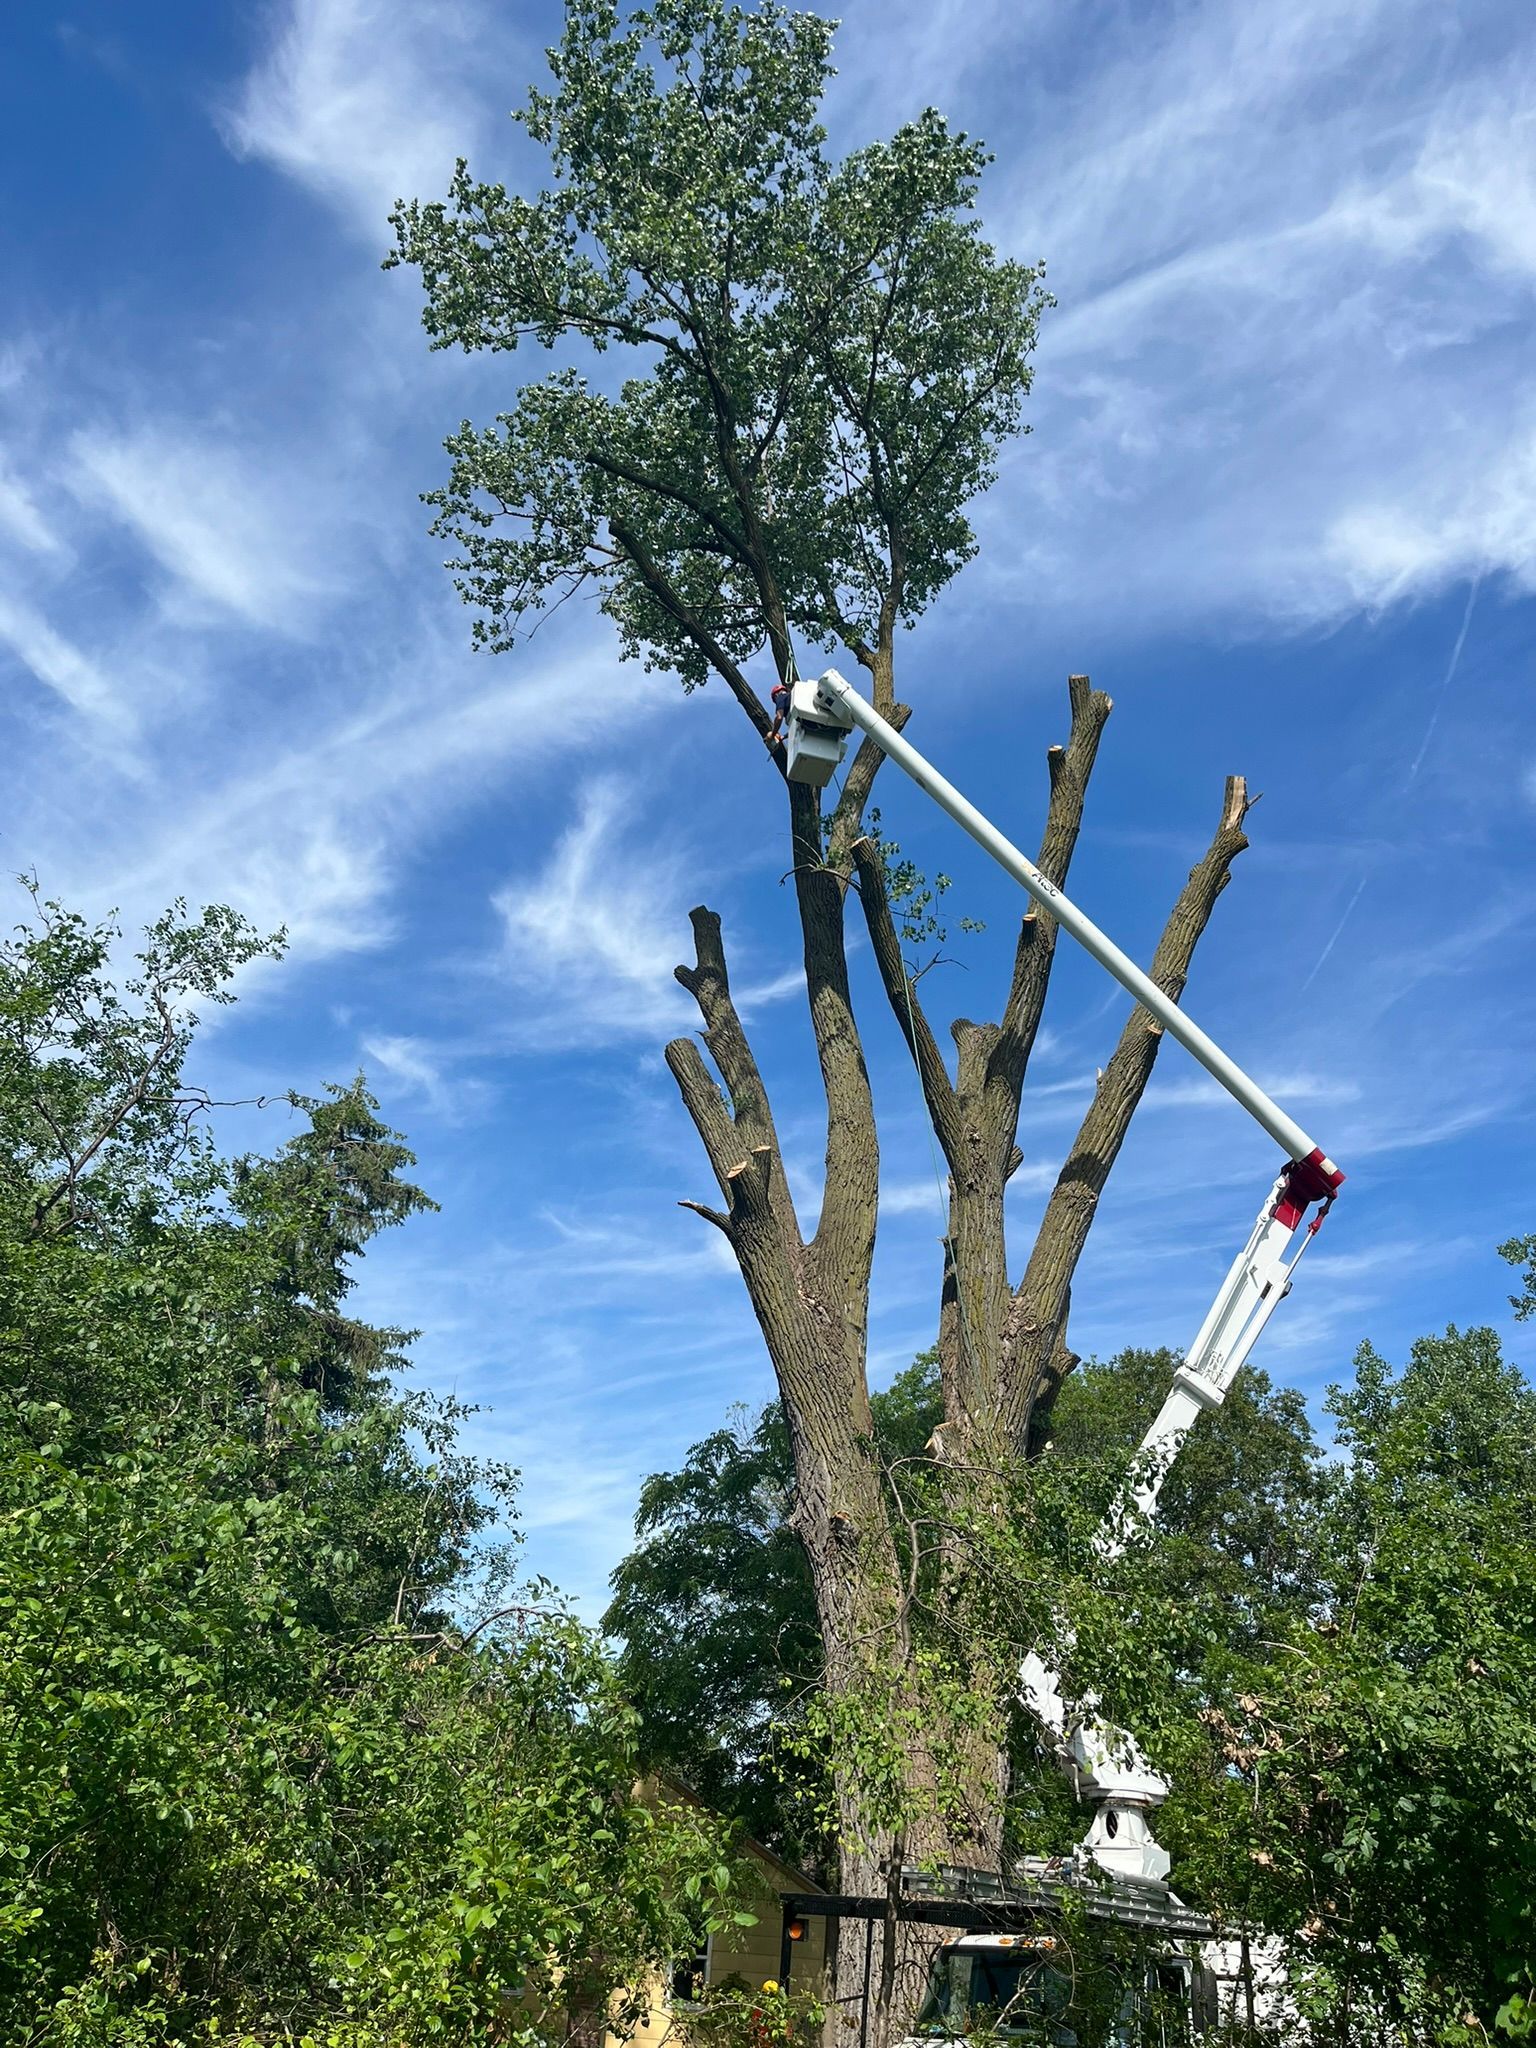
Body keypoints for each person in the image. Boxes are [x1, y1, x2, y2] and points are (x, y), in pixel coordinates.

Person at [766, 675, 792, 748]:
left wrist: (773, 734)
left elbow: (779, 717)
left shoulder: (780, 697)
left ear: (776, 694)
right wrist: (783, 737)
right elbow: (797, 728)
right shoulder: (791, 697)